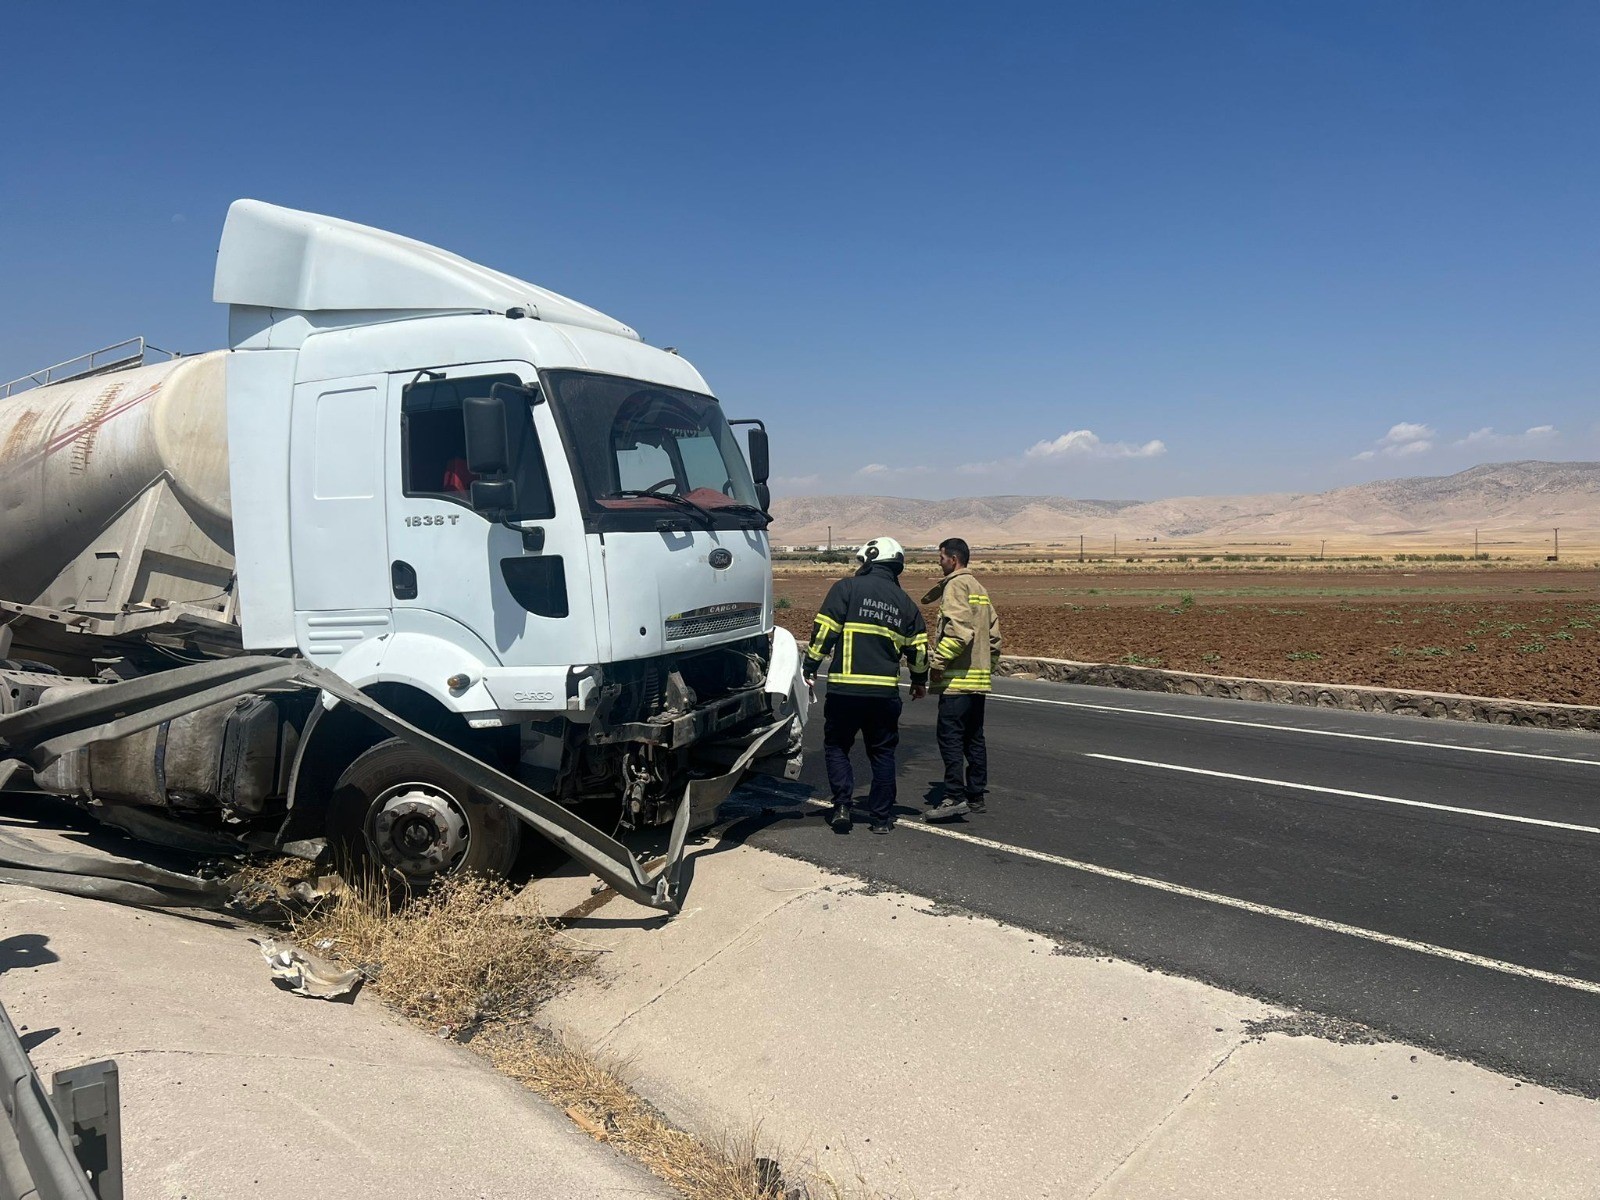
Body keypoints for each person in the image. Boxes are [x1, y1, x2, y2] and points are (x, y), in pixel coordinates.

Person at [802, 537, 929, 834]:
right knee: (882, 753)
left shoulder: (846, 588)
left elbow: (824, 632)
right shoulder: (906, 604)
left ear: (869, 560)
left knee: (837, 747)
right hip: (883, 694)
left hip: (845, 691)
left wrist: (809, 666)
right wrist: (919, 681)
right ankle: (881, 819)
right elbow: (920, 651)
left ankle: (843, 806)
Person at [921, 537, 1002, 821]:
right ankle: (976, 795)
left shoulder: (955, 586)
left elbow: (958, 631)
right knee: (974, 738)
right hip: (977, 683)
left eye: (940, 558)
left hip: (956, 683)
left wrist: (938, 663)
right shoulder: (980, 588)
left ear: (953, 560)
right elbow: (994, 639)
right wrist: (986, 668)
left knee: (951, 739)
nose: (939, 563)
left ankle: (954, 796)